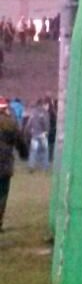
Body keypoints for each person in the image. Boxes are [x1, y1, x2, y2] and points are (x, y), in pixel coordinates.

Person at [0, 97, 28, 232]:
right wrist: (24, 154)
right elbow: (20, 140)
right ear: (5, 108)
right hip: (4, 164)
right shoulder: (10, 122)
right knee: (2, 194)